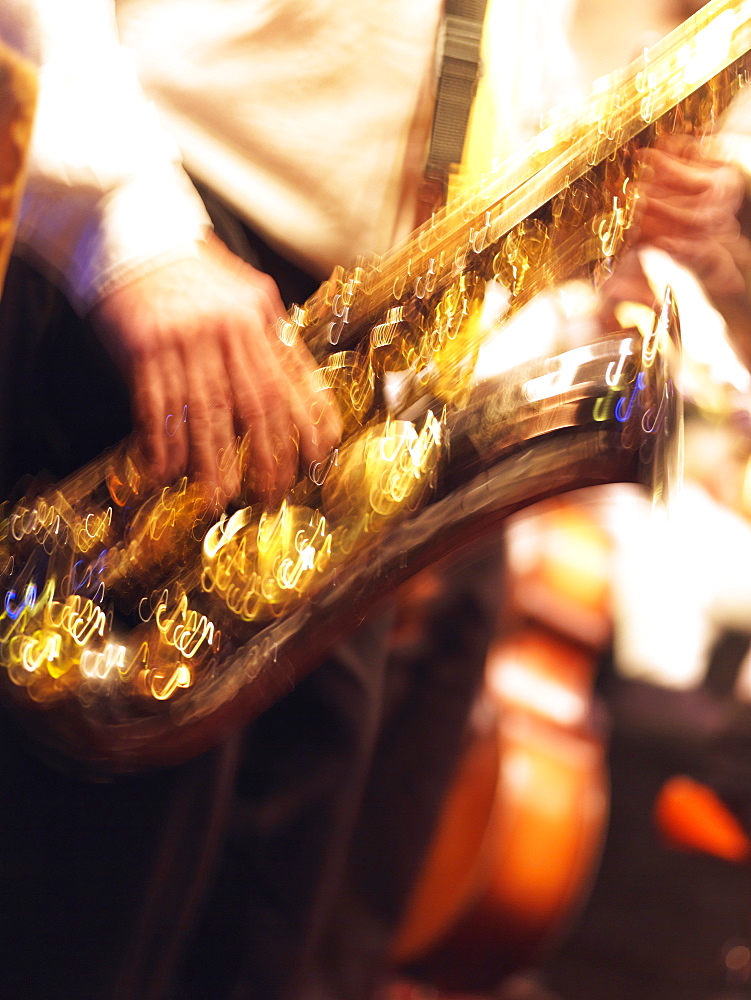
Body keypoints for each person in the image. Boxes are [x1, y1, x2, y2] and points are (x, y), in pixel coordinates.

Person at [0, 2, 582, 999]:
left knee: (253, 932)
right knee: (79, 926)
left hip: (352, 342)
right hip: (170, 255)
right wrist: (129, 228)